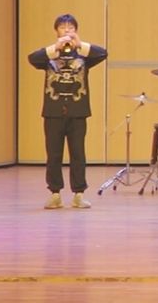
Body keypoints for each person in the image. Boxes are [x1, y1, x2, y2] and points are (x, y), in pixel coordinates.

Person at [28, 14, 108, 210]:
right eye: (63, 27)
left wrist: (79, 44)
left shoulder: (83, 56)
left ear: (76, 30)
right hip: (53, 112)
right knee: (53, 154)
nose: (67, 30)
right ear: (56, 31)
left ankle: (79, 194)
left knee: (78, 154)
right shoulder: (49, 56)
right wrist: (54, 47)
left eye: (71, 27)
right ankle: (55, 194)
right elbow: (32, 58)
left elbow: (102, 53)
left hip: (77, 112)